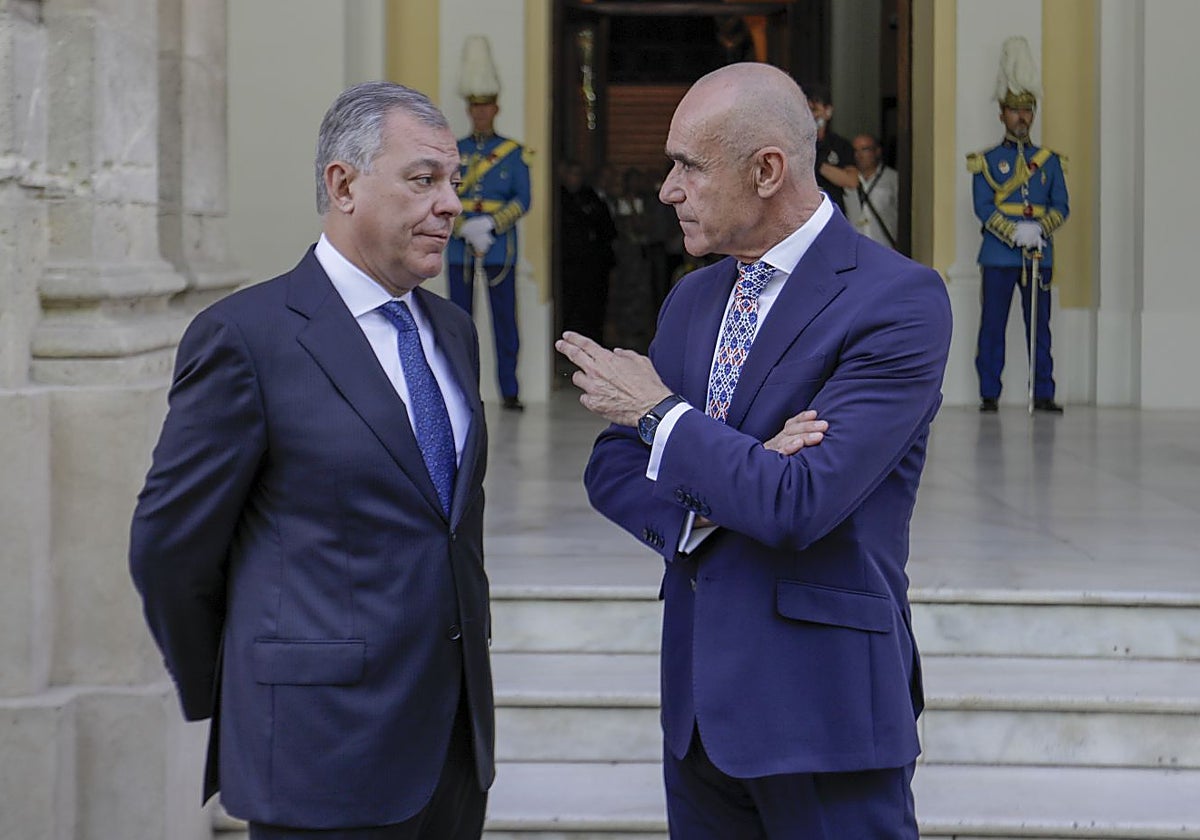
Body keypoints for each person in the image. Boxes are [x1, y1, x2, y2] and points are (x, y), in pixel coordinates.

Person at [556, 63, 951, 838]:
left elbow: (800, 501)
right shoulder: (693, 296)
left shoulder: (898, 301)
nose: (668, 188)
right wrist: (727, 480)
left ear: (768, 169)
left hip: (825, 718)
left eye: (689, 166)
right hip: (699, 717)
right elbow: (610, 465)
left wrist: (664, 418)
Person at [129, 81, 494, 840]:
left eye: (453, 181)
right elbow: (169, 550)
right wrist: (246, 690)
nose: (451, 203)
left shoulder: (454, 332)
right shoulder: (246, 337)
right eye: (423, 179)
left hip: (453, 751)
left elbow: (447, 530)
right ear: (343, 184)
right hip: (317, 751)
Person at [969, 36, 1068, 413]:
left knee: (1039, 328)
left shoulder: (1051, 162)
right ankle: (989, 392)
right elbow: (982, 206)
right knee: (992, 326)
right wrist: (1014, 233)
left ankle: (1043, 390)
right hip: (998, 254)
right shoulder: (986, 161)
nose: (1021, 117)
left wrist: (1039, 230)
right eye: (1014, 110)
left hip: (1039, 255)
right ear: (1002, 114)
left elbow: (1062, 205)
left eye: (1027, 110)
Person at [446, 35, 532, 411]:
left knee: (503, 322)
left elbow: (523, 199)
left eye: (486, 107)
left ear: (496, 108)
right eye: (474, 107)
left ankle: (509, 390)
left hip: (499, 245)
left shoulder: (513, 153)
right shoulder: (454, 151)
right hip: (458, 245)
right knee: (459, 322)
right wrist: (462, 224)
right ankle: (463, 391)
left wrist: (491, 225)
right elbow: (440, 192)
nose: (480, 113)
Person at [558, 158, 616, 342]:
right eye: (572, 174)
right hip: (568, 264)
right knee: (570, 307)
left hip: (593, 264)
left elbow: (607, 228)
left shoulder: (590, 196)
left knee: (593, 307)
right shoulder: (559, 198)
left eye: (579, 175)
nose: (575, 179)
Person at [804, 81, 858, 214]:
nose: (811, 116)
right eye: (806, 110)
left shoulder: (840, 145)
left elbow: (851, 181)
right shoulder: (794, 143)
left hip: (832, 214)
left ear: (828, 111)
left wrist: (818, 164)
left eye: (815, 110)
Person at [845, 132, 899, 249]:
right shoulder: (844, 180)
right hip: (854, 250)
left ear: (877, 151)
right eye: (855, 150)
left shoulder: (893, 179)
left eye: (864, 149)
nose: (859, 155)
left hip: (885, 248)